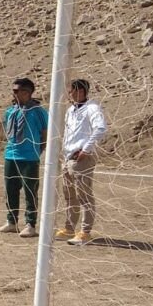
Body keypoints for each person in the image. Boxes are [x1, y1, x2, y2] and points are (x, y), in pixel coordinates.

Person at [55, 79, 108, 246]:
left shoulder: (92, 108)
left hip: (81, 158)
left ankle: (85, 232)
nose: (69, 94)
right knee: (69, 196)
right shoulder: (71, 110)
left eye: (71, 91)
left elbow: (100, 128)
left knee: (84, 196)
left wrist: (86, 149)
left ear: (80, 91)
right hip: (68, 157)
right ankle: (69, 228)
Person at [0, 77, 48, 237]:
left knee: (30, 191)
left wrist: (37, 150)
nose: (13, 94)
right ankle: (11, 222)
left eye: (15, 91)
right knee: (10, 189)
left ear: (26, 93)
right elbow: (7, 130)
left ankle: (30, 225)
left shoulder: (38, 112)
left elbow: (45, 134)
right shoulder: (10, 111)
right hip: (10, 155)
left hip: (29, 158)